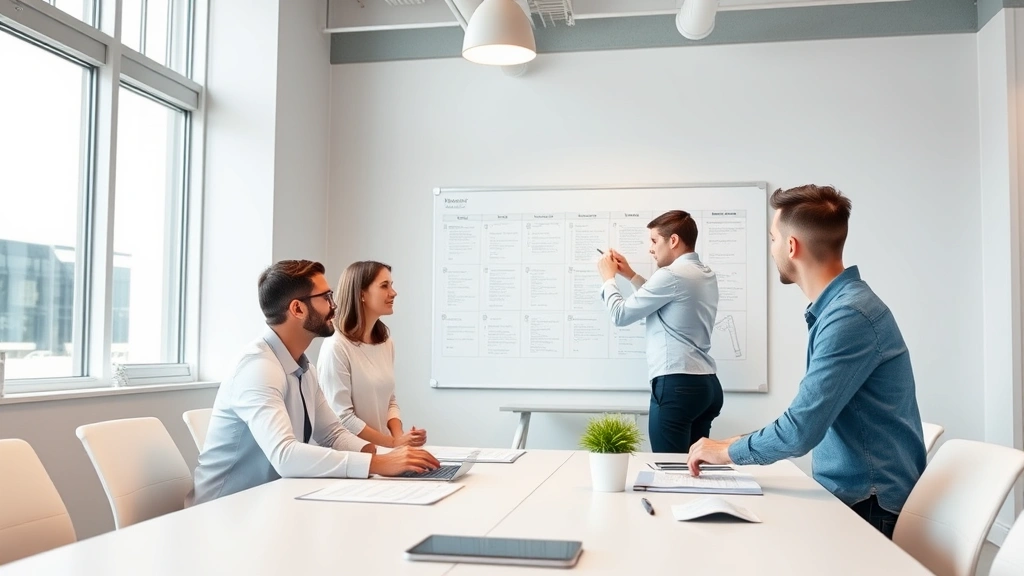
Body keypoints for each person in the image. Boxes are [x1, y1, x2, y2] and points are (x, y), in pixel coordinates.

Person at [686, 185, 926, 539]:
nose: (771, 249)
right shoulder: (840, 308)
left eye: (772, 238)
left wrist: (728, 453)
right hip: (852, 498)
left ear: (791, 246)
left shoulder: (849, 316)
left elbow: (800, 432)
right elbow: (807, 419)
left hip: (868, 508)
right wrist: (727, 445)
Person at [187, 260, 439, 506]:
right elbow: (285, 455)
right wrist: (380, 463)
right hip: (222, 511)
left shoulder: (304, 369)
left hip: (269, 502)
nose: (335, 305)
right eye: (326, 297)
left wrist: (390, 457)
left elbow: (333, 434)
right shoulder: (257, 369)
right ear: (298, 309)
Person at [596, 210, 722, 453]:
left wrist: (608, 279)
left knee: (668, 471)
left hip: (677, 385)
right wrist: (630, 275)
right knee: (693, 468)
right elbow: (667, 302)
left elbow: (620, 315)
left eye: (654, 241)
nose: (650, 249)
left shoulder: (671, 275)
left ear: (673, 240)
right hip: (706, 386)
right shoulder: (705, 274)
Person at [317, 261, 425, 448]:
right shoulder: (336, 346)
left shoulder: (385, 343)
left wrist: (402, 439)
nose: (393, 292)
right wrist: (393, 443)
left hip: (383, 451)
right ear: (361, 294)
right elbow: (343, 418)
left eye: (391, 285)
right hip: (352, 457)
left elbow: (390, 400)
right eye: (384, 286)